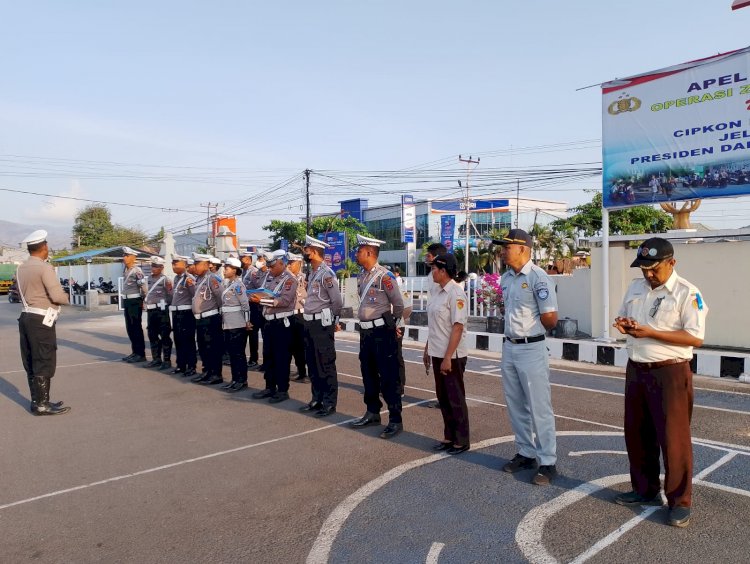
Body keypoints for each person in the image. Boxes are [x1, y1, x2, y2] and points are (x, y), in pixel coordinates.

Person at [612, 237, 707, 528]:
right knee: (637, 432)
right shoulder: (636, 288)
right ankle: (644, 489)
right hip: (637, 368)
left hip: (670, 373)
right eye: (644, 269)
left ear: (671, 263)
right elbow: (628, 318)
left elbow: (695, 337)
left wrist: (651, 333)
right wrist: (624, 325)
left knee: (673, 439)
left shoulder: (687, 293)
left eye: (654, 269)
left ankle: (679, 501)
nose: (648, 275)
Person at [495, 229, 559, 486]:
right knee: (515, 404)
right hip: (509, 346)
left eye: (507, 247)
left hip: (532, 348)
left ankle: (547, 461)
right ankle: (525, 453)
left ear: (522, 249)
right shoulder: (506, 278)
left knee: (539, 407)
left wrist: (530, 329)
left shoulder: (538, 278)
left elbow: (551, 318)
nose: (502, 251)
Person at [350, 234, 405, 439]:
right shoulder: (361, 275)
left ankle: (395, 419)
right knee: (368, 373)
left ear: (369, 253)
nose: (356, 254)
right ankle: (372, 412)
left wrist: (396, 323)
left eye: (359, 251)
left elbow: (398, 304)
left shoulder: (385, 276)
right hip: (366, 332)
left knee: (388, 377)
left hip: (382, 332)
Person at [16, 229, 71, 415]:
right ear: (44, 247)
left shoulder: (20, 268)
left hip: (25, 317)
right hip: (41, 320)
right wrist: (66, 297)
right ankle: (42, 405)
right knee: (44, 358)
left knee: (31, 359)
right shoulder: (45, 267)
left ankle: (37, 401)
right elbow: (57, 296)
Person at [422, 254, 470, 455]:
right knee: (443, 397)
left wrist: (448, 357)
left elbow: (457, 328)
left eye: (434, 269)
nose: (431, 272)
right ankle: (449, 436)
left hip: (453, 355)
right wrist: (427, 349)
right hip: (438, 352)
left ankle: (461, 439)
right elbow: (434, 325)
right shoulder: (437, 293)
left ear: (443, 271)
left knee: (455, 398)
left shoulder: (456, 294)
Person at [300, 235, 343, 417]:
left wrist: (334, 322)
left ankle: (329, 402)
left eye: (307, 251)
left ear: (315, 252)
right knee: (312, 363)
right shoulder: (312, 272)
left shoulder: (327, 274)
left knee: (325, 364)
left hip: (321, 324)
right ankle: (316, 398)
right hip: (309, 322)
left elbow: (337, 302)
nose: (304, 253)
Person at [250, 250, 298, 403]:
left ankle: (282, 390)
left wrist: (261, 301)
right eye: (269, 266)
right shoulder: (269, 277)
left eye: (272, 266)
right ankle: (269, 386)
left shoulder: (290, 279)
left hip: (282, 323)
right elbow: (263, 292)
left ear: (281, 263)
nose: (270, 269)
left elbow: (284, 301)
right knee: (269, 356)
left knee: (281, 357)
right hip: (269, 322)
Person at [188, 253, 225, 385]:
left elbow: (221, 297)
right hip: (200, 319)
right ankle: (206, 371)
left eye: (197, 264)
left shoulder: (212, 279)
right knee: (203, 348)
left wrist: (221, 317)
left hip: (211, 319)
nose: (195, 267)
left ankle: (216, 374)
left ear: (205, 265)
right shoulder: (198, 279)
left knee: (213, 348)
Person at [219, 257, 252, 392]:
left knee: (238, 354)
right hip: (228, 324)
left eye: (226, 269)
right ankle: (234, 379)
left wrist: (247, 321)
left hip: (237, 325)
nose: (224, 271)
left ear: (234, 270)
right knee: (232, 354)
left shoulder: (238, 286)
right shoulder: (228, 285)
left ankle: (241, 380)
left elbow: (245, 305)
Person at [423, 242, 448, 408]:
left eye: (429, 257)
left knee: (450, 379)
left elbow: (456, 323)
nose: (426, 260)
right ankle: (442, 400)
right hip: (435, 335)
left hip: (448, 336)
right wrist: (428, 344)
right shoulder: (430, 278)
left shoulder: (453, 284)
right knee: (439, 376)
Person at [169, 255, 197, 377]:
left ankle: (191, 366)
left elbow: (195, 296)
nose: (174, 266)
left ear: (185, 265)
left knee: (188, 340)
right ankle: (181, 365)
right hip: (176, 313)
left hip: (186, 313)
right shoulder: (176, 278)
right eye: (173, 264)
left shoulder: (189, 278)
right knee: (178, 340)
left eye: (176, 263)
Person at [143, 256, 173, 370]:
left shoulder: (166, 280)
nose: (153, 268)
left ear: (161, 267)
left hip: (161, 311)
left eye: (156, 266)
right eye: (152, 266)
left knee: (165, 335)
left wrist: (165, 306)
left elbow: (170, 295)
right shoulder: (149, 279)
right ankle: (156, 359)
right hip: (151, 311)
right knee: (152, 334)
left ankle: (167, 360)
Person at [121, 246, 147, 363]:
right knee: (130, 328)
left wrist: (144, 301)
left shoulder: (137, 271)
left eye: (126, 256)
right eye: (124, 255)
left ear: (133, 257)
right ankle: (135, 352)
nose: (124, 258)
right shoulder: (126, 270)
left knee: (136, 328)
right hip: (127, 301)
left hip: (135, 301)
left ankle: (140, 354)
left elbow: (144, 287)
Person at [287, 252, 308, 382]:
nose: (289, 265)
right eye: (288, 263)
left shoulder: (305, 278)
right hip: (290, 314)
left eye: (291, 263)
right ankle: (301, 371)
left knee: (303, 346)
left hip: (302, 315)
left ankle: (307, 373)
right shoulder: (287, 278)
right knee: (293, 346)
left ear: (299, 264)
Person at [248, 255, 271, 371]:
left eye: (261, 259)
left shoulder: (271, 273)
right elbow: (250, 287)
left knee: (267, 337)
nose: (259, 262)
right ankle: (253, 358)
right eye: (258, 259)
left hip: (266, 307)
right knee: (253, 334)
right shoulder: (255, 274)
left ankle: (267, 362)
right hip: (255, 306)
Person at [239, 251, 260, 369]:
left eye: (243, 258)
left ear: (249, 259)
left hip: (253, 306)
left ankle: (254, 359)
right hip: (244, 306)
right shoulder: (244, 272)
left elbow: (259, 288)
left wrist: (253, 297)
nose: (240, 260)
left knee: (252, 332)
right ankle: (249, 358)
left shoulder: (254, 272)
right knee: (245, 332)